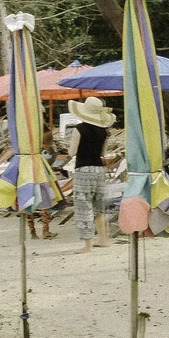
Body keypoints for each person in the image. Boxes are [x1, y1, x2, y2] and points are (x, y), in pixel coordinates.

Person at [65, 97, 119, 249]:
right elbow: (102, 152)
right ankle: (103, 239)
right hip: (99, 169)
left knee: (84, 206)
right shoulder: (103, 132)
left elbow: (72, 151)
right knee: (98, 206)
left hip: (83, 169)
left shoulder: (79, 129)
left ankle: (87, 244)